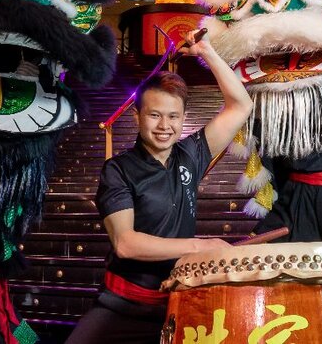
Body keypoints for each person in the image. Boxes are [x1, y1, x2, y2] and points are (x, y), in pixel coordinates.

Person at [66, 29, 253, 344]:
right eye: (154, 115)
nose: (165, 126)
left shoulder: (191, 154)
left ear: (183, 118)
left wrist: (206, 50)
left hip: (179, 301)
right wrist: (199, 245)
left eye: (173, 117)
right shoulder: (118, 170)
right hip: (124, 305)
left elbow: (241, 105)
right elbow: (126, 243)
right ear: (138, 116)